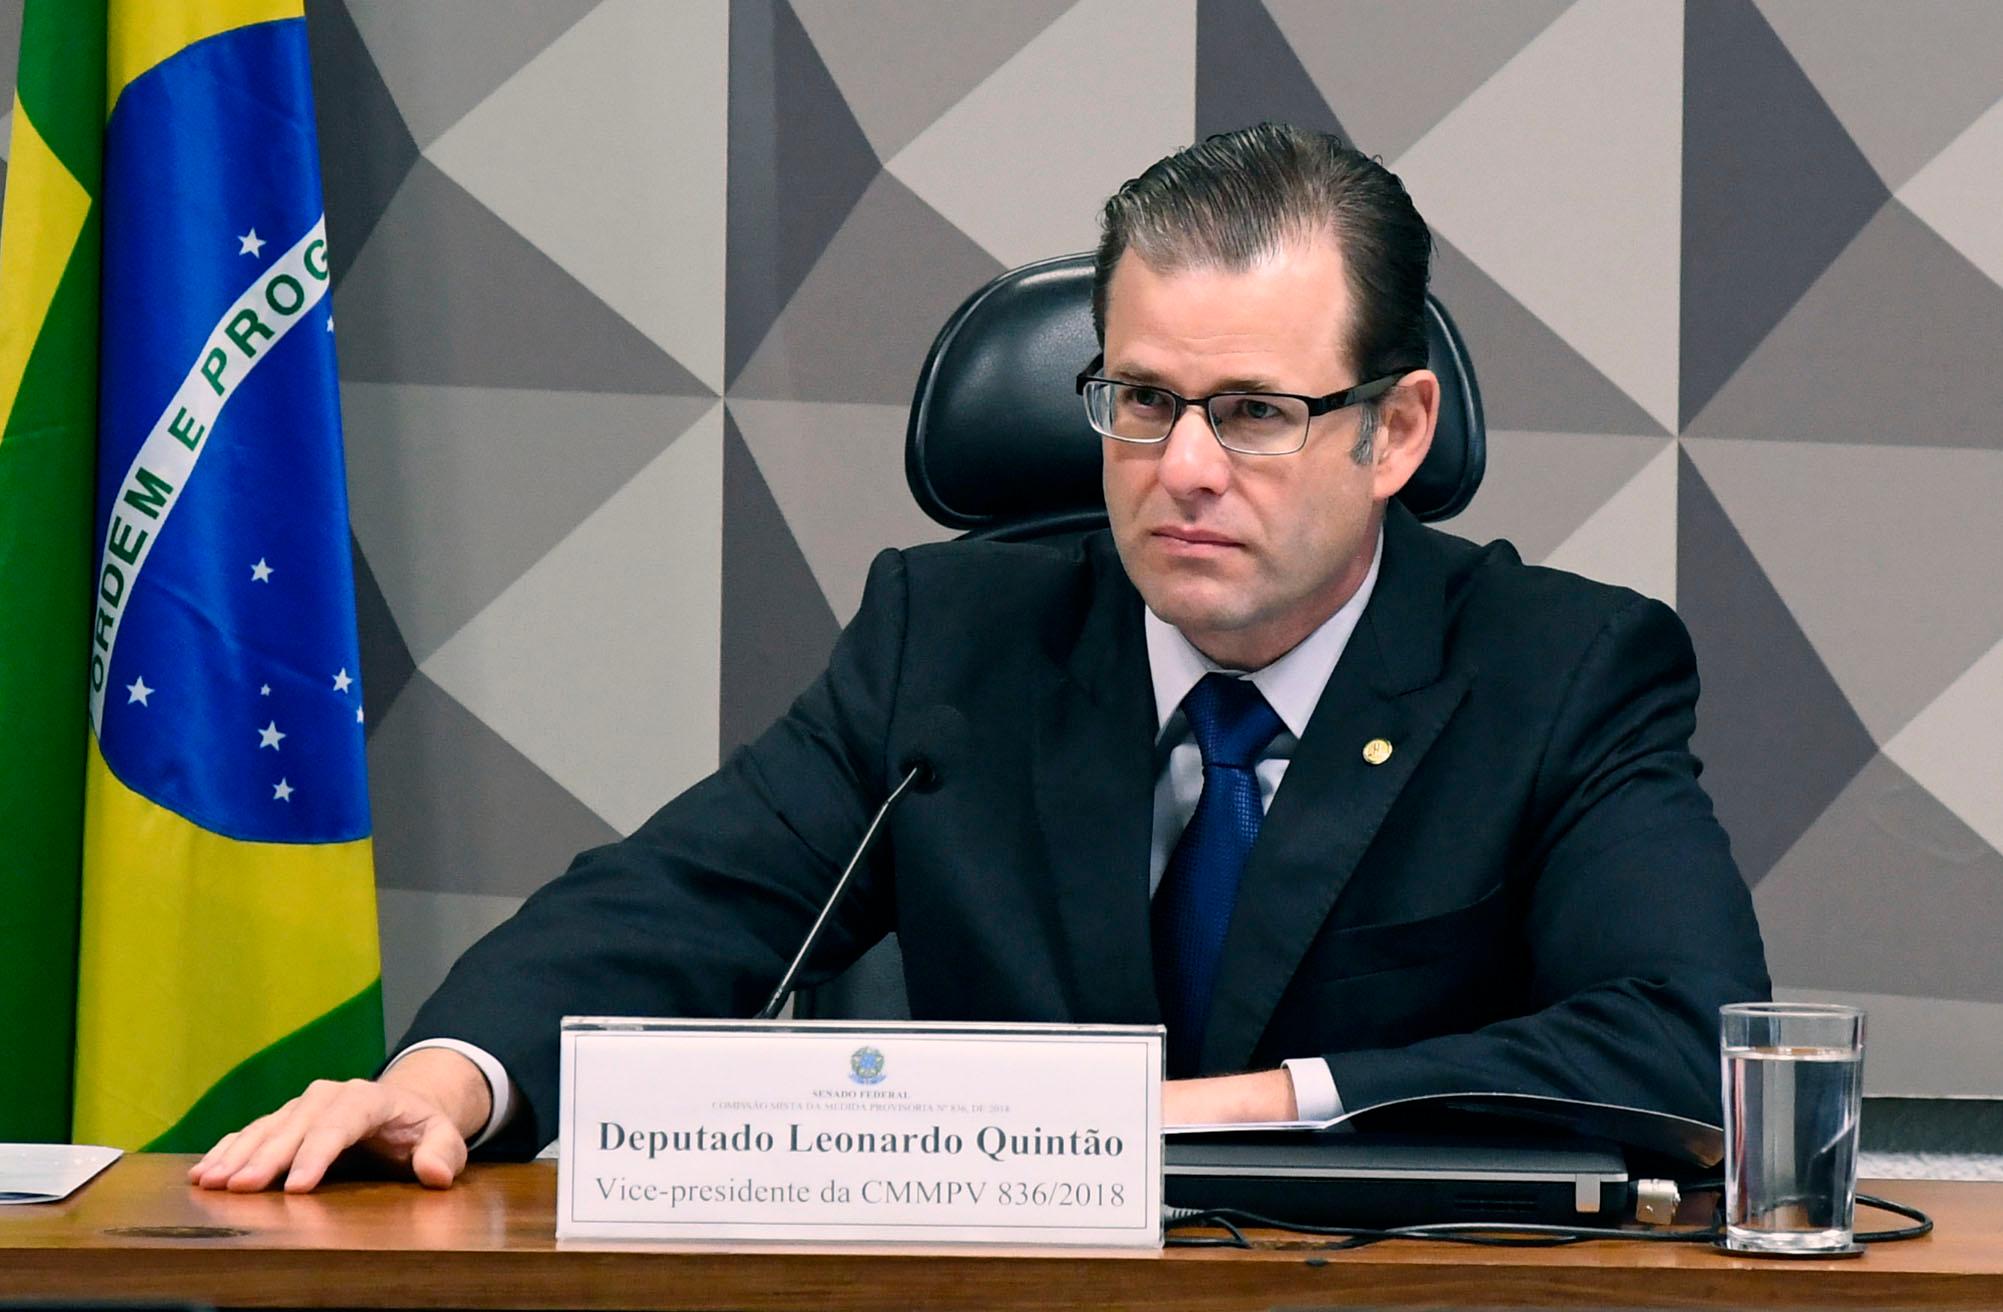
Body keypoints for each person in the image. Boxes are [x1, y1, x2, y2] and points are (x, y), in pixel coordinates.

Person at [192, 123, 1769, 1194]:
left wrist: (1247, 1107)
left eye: (1254, 411)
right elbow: (681, 903)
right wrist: (456, 1081)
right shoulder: (954, 641)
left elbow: (1685, 1040)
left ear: (1395, 431)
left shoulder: (1562, 670)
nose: (1185, 465)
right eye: (1142, 400)